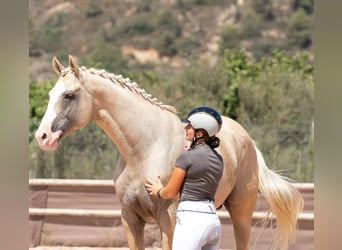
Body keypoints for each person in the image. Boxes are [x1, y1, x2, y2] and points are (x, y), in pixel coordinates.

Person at [144, 106, 224, 250]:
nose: (185, 128)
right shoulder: (219, 159)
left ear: (199, 134)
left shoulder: (187, 156)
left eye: (190, 126)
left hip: (191, 220)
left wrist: (157, 190)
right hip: (213, 221)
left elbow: (170, 193)